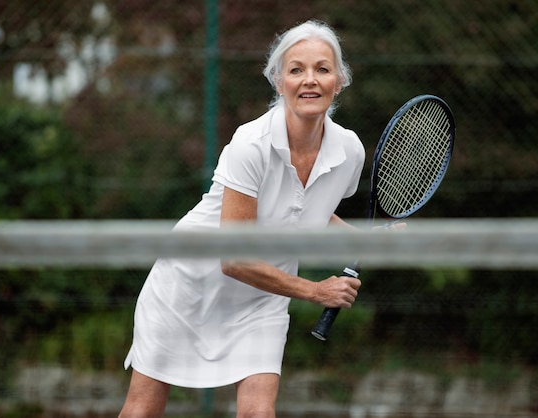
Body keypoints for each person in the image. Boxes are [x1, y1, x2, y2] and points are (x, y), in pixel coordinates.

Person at [119, 19, 365, 418]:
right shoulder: (249, 145)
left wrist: (365, 239)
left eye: (322, 69)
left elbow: (307, 209)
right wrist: (316, 292)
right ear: (278, 80)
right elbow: (233, 260)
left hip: (262, 301)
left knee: (257, 412)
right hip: (187, 285)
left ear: (339, 81)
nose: (310, 80)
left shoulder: (349, 151)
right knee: (142, 410)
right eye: (296, 69)